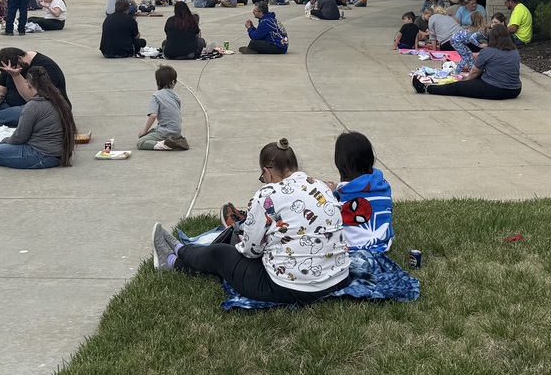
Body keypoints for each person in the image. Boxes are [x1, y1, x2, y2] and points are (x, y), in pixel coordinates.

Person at [151, 138, 351, 305]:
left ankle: (178, 252)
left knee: (220, 253)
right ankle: (174, 259)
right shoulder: (322, 186)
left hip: (292, 289)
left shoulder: (267, 194)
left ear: (267, 172)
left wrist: (244, 239)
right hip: (338, 278)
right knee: (233, 250)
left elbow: (250, 251)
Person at [0, 47, 70, 134]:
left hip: (44, 109)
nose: (12, 71)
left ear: (20, 58)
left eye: (14, 69)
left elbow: (32, 99)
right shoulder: (11, 66)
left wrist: (16, 75)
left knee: (26, 110)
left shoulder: (43, 67)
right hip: (12, 107)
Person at [413, 25, 521, 100]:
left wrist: (466, 82)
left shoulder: (487, 51)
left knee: (457, 87)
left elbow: (474, 72)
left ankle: (426, 88)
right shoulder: (515, 51)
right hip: (514, 90)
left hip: (495, 89)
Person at [331, 132, 394, 253]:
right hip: (382, 243)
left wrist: (329, 191)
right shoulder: (383, 185)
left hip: (352, 248)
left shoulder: (342, 195)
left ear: (341, 164)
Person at [137, 65, 190, 151]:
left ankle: (166, 144)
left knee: (141, 141)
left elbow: (153, 115)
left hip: (166, 130)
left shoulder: (156, 96)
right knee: (151, 133)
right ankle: (176, 139)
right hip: (177, 130)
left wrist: (145, 130)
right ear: (173, 82)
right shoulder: (175, 94)